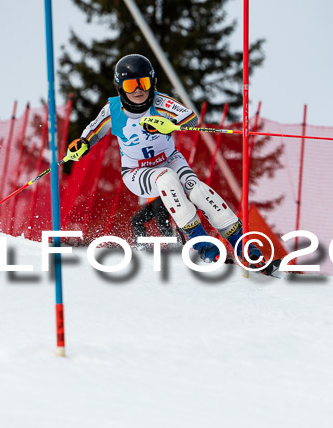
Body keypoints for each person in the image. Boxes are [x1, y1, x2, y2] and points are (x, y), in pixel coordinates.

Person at [65, 54, 278, 275]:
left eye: (143, 83)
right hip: (137, 171)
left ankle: (244, 247)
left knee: (199, 192)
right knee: (166, 178)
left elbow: (191, 119)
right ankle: (202, 246)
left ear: (152, 82)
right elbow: (92, 132)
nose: (138, 90)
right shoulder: (113, 109)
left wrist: (169, 124)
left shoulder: (160, 102)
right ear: (121, 87)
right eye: (130, 85)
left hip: (170, 159)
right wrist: (82, 145)